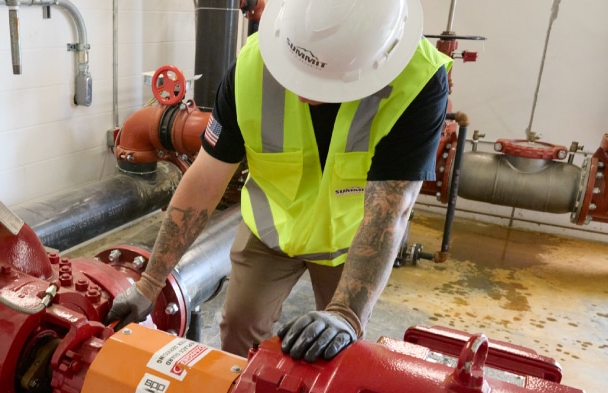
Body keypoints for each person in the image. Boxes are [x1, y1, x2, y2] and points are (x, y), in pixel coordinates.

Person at [106, 0, 452, 362]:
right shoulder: (253, 67)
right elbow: (205, 179)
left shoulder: (418, 82)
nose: (300, 87)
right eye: (296, 70)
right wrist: (150, 283)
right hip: (271, 227)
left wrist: (346, 315)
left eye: (319, 79)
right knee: (239, 328)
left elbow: (390, 210)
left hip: (350, 239)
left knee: (337, 354)